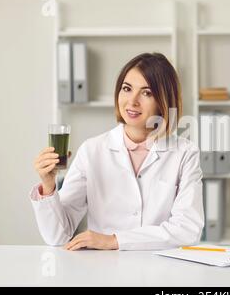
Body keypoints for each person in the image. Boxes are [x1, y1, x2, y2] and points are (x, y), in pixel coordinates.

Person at [30, 53, 204, 251]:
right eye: (127, 89)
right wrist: (48, 186)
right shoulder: (92, 150)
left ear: (164, 100)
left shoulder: (185, 153)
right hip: (105, 271)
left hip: (161, 271)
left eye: (146, 93)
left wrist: (113, 240)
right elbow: (57, 235)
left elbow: (187, 230)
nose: (132, 101)